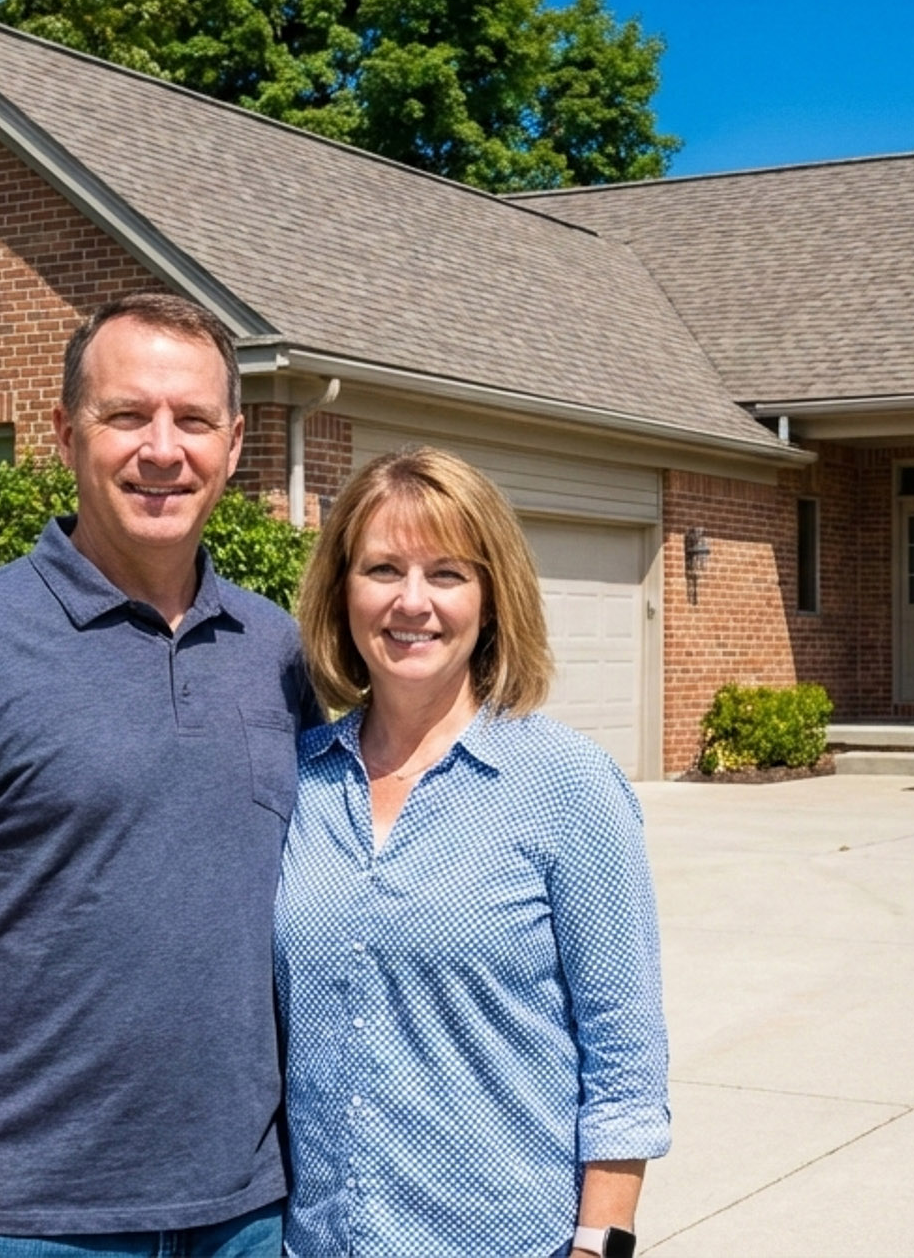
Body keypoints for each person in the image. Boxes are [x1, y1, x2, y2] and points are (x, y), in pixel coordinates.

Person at [0, 293, 314, 1257]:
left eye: (194, 419)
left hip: (255, 1210)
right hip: (31, 1221)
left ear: (236, 441)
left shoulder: (279, 647)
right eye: (126, 415)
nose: (163, 449)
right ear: (65, 433)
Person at [274, 446, 668, 1258]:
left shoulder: (566, 785)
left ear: (490, 599)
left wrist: (600, 1244)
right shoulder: (300, 781)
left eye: (447, 573)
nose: (412, 601)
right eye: (382, 568)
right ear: (342, 592)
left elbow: (625, 1056)